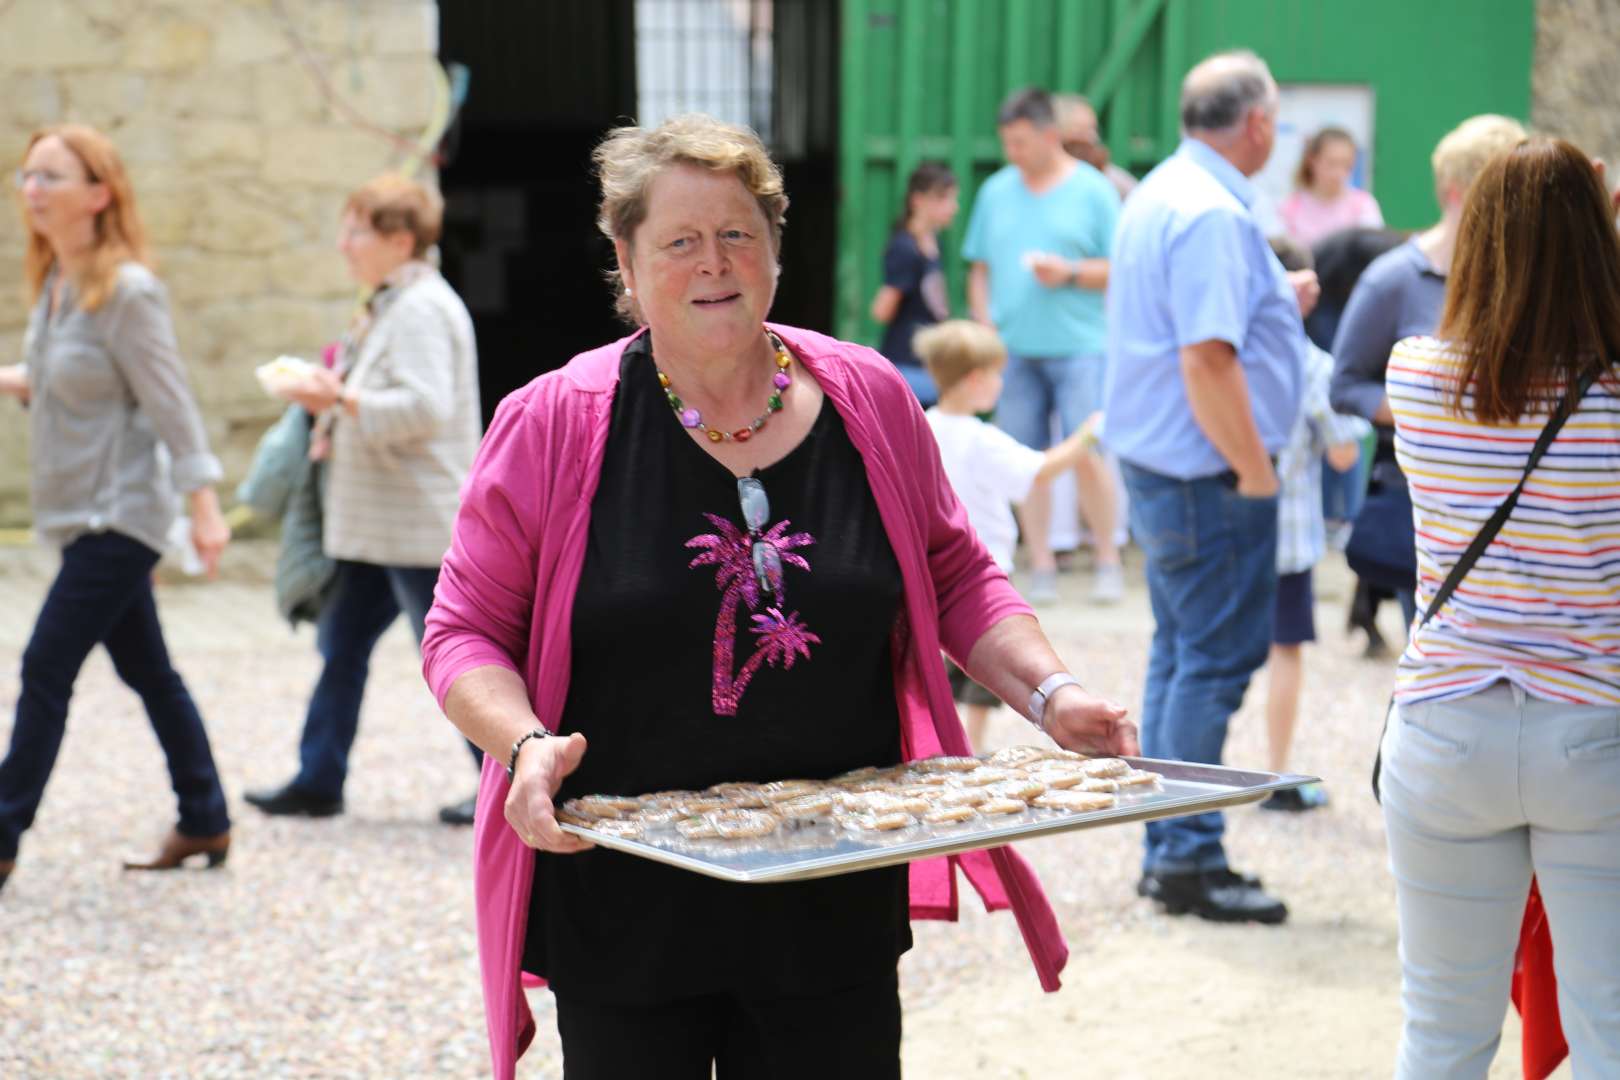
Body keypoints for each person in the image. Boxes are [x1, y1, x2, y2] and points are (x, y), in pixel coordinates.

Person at [418, 113, 1138, 1079]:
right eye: (679, 240)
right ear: (625, 263)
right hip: (627, 899)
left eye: (737, 235)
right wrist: (522, 746)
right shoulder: (554, 422)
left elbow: (956, 572)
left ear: (773, 252)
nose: (713, 262)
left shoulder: (869, 398)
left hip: (829, 894)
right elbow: (464, 633)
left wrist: (1051, 693)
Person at [1380, 136, 1620, 1078]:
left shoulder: (1419, 376)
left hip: (1444, 724)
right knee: (1610, 1027)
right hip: (1592, 726)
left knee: (1441, 1030)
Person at [0, 125, 233, 892]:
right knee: (150, 672)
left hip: (121, 516)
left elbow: (171, 404)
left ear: (99, 194)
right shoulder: (60, 284)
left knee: (43, 667)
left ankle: (3, 832)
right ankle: (203, 815)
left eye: (52, 176)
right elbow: (64, 378)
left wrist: (204, 508)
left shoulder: (128, 290)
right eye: (28, 175)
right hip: (80, 515)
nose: (33, 188)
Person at [1103, 50, 1306, 923]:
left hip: (1170, 464)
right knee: (1210, 665)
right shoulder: (1214, 214)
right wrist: (1256, 470)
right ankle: (1186, 856)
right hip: (1209, 471)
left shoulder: (1163, 191)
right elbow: (1207, 357)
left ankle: (1170, 846)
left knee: (1182, 658)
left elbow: (1204, 337)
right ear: (1256, 123)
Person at [244, 175, 485, 827]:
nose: (343, 244)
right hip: (377, 529)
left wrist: (339, 401)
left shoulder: (422, 309)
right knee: (340, 647)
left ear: (400, 239)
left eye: (356, 231)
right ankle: (318, 780)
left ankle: (506, 779)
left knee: (453, 658)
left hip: (414, 526)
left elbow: (425, 406)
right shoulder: (392, 302)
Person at [1329, 115, 1528, 632]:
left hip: (1522, 502)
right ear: (1457, 192)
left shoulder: (1525, 280)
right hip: (1423, 503)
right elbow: (1345, 385)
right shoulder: (1395, 279)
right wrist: (1431, 406)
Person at [963, 87, 1124, 605]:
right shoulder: (995, 192)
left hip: (1081, 345)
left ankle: (1107, 559)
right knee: (1025, 459)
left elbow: (1122, 270)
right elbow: (979, 271)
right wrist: (985, 327)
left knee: (1087, 454)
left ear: (1050, 136)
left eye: (1021, 141)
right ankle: (1041, 564)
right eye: (1006, 142)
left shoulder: (1095, 191)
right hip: (1012, 350)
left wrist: (1071, 273)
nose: (1013, 152)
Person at [915, 319, 1098, 749]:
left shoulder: (923, 424)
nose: (1000, 383)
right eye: (997, 374)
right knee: (985, 667)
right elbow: (1039, 471)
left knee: (938, 664)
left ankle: (938, 740)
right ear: (976, 379)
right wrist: (1089, 434)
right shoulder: (982, 438)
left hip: (930, 566)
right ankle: (972, 746)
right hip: (984, 569)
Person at [1259, 237, 1370, 811]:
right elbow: (1344, 452)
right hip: (1289, 538)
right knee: (1286, 652)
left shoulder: (1233, 358)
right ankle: (1276, 774)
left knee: (1202, 658)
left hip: (1229, 530)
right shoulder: (1312, 365)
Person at [870, 160, 958, 407]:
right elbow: (881, 310)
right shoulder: (905, 248)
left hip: (928, 362)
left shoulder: (934, 243)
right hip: (906, 364)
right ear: (918, 200)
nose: (953, 207)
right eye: (944, 199)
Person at [1278, 127, 1384, 248]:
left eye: (1346, 164)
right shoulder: (1290, 208)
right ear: (1312, 160)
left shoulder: (1364, 205)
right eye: (1332, 163)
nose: (1338, 173)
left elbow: (1373, 250)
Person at [1053, 92, 1138, 202]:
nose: (1093, 138)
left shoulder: (1113, 181)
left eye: (1093, 130)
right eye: (1081, 131)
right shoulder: (1033, 179)